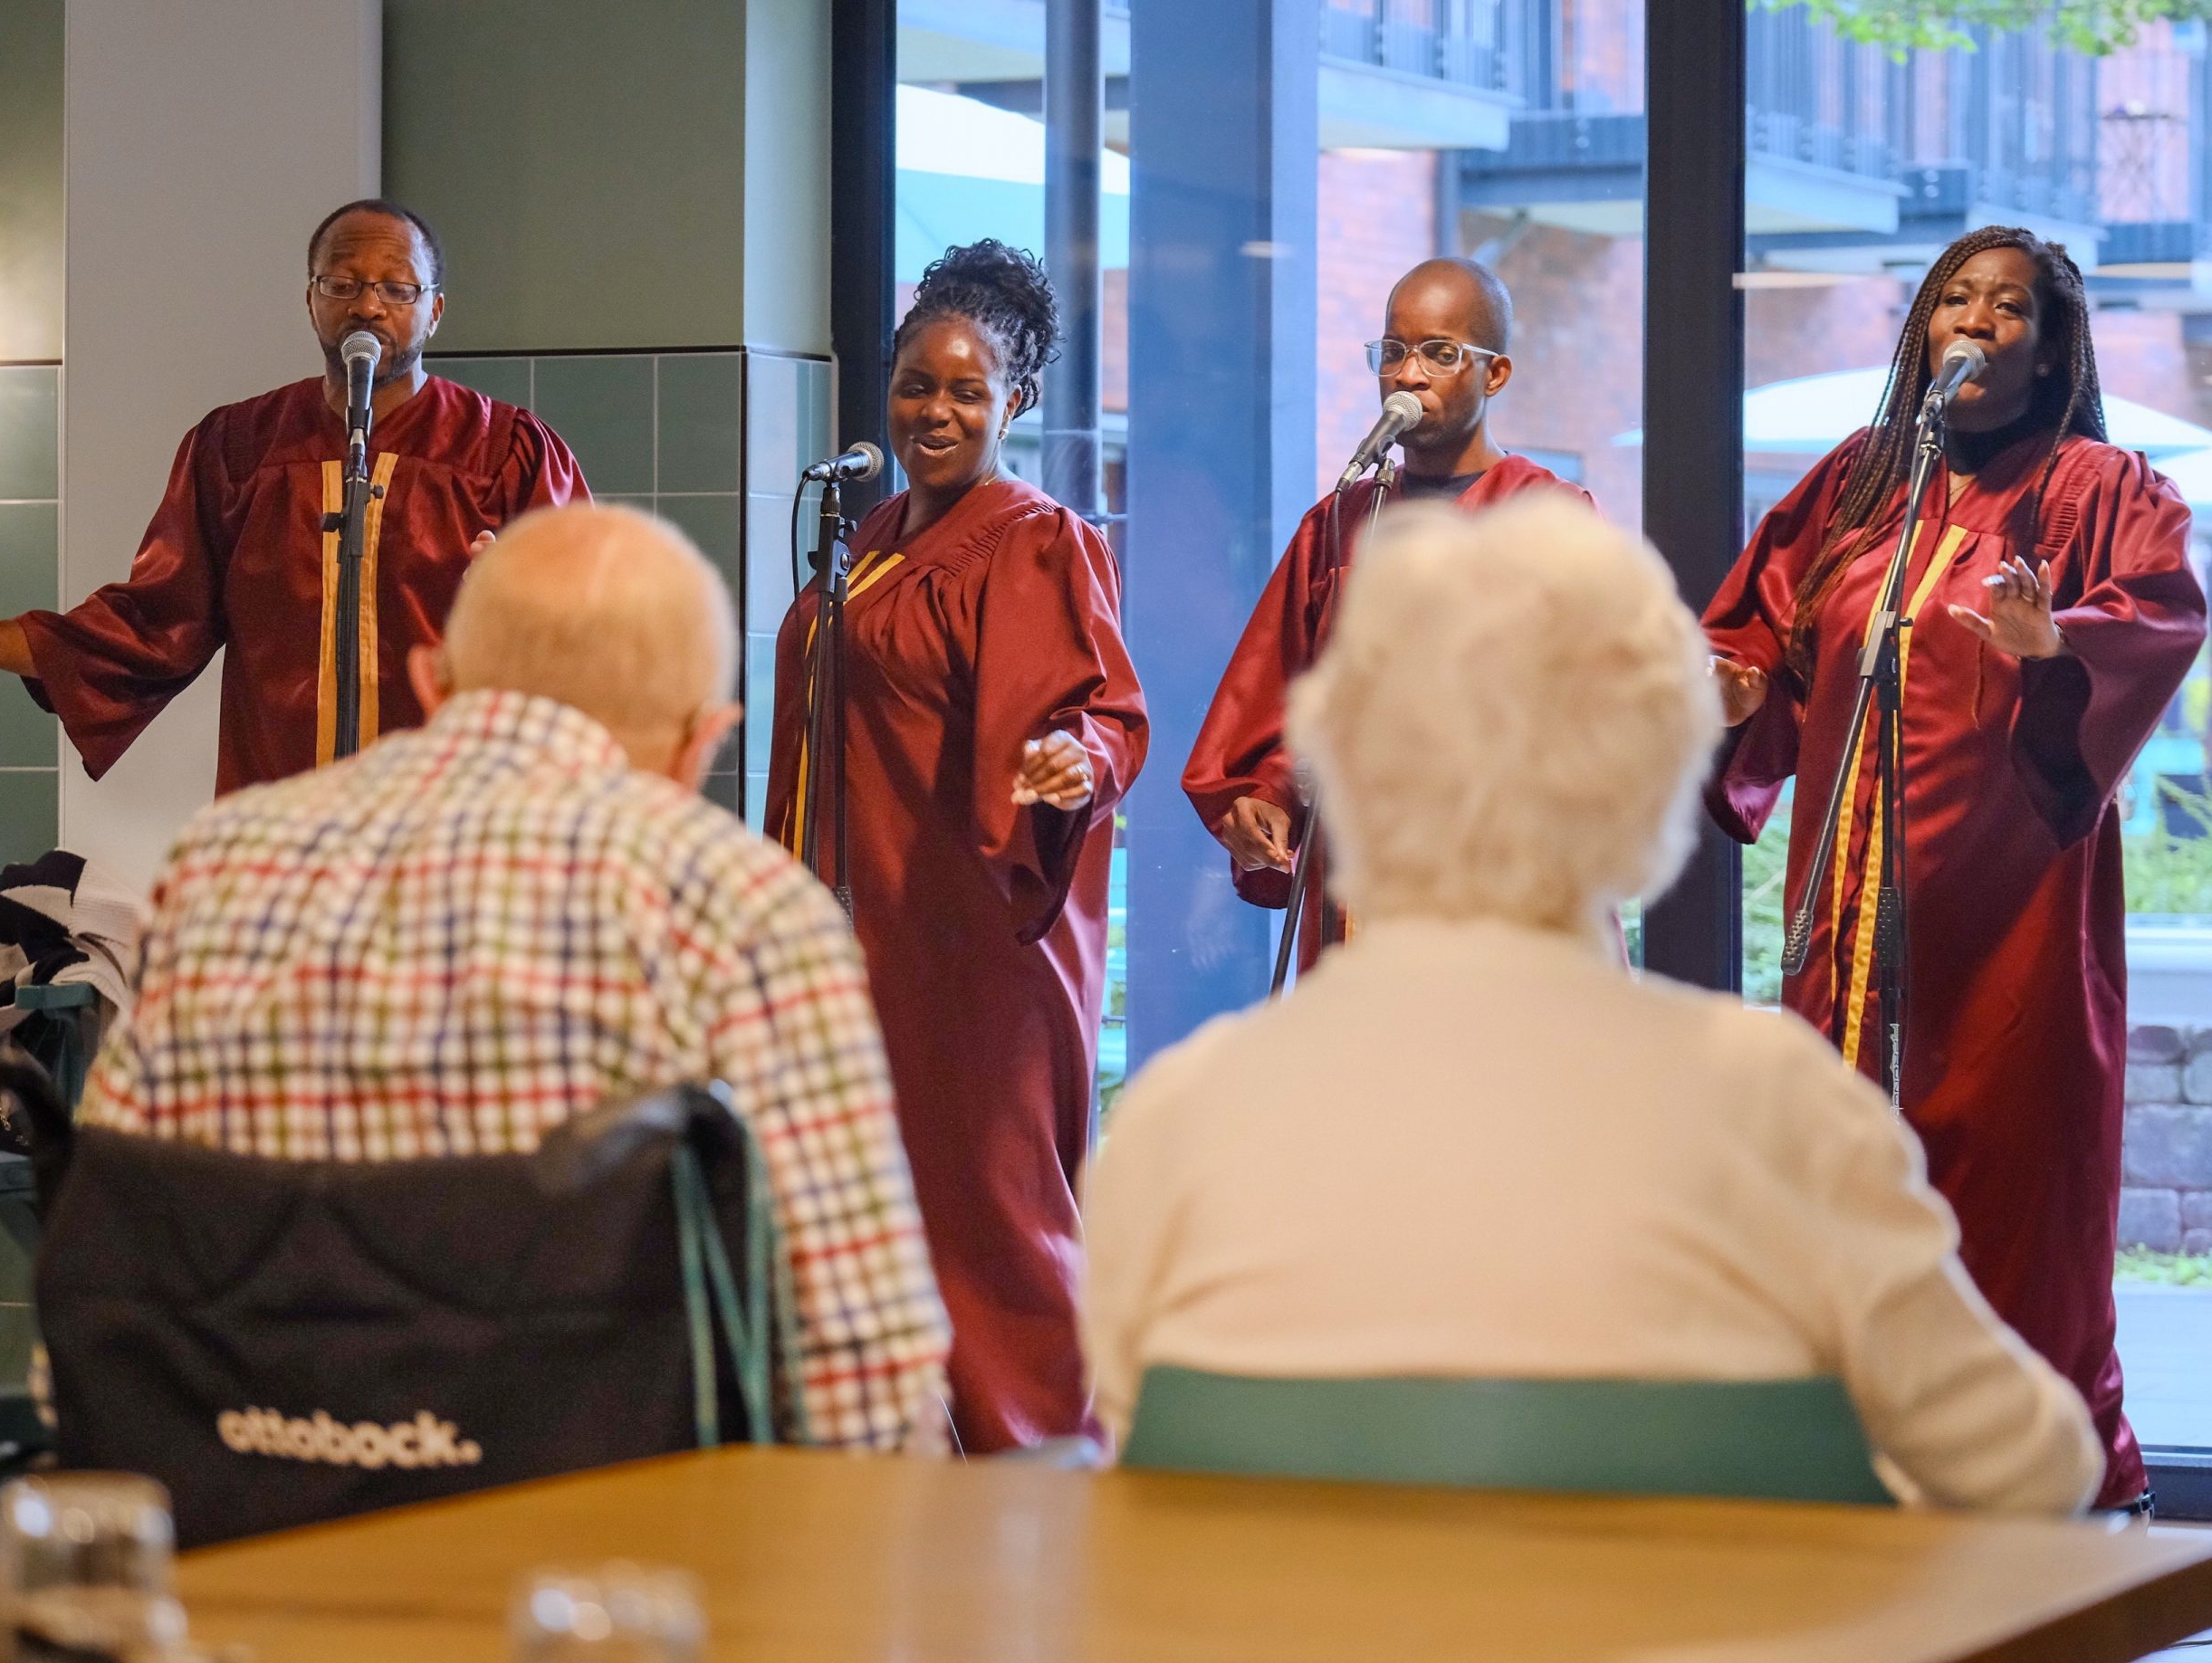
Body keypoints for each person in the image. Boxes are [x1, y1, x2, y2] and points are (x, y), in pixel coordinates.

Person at [1082, 495, 2105, 1515]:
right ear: (1652, 769)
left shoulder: (1178, 1119)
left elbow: (1143, 1467)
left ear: (1341, 760)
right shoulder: (1770, 1106)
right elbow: (2033, 1467)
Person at [80, 503, 949, 1453]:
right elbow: (865, 1385)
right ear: (702, 741)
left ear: (430, 680)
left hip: (246, 1548)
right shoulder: (739, 905)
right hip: (614, 1571)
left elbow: (105, 1277)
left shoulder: (216, 866)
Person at [1704, 226, 2203, 1512]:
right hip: (1852, 913)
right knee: (1838, 1176)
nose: (1975, 324)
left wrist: (2056, 647)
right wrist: (1735, 684)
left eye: (2010, 311)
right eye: (1955, 302)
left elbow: (2154, 618)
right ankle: (1850, 1448)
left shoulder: (2098, 487)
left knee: (2013, 1185)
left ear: (2050, 354)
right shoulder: (1861, 485)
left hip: (2014, 922)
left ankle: (2044, 1470)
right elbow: (1756, 634)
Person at [763, 242, 1147, 1453]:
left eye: (968, 391)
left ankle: (1043, 1464)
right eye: (919, 384)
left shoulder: (1036, 541)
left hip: (976, 948)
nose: (937, 411)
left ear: (1016, 403)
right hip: (860, 937)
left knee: (992, 1220)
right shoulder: (860, 537)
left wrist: (1075, 761)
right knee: (880, 1212)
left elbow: (1103, 710)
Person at [0, 199, 588, 796]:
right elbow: (156, 623)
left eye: (397, 289)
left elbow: (593, 633)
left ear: (434, 310)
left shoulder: (506, 452)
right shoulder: (239, 448)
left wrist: (526, 613)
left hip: (455, 831)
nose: (368, 304)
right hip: (279, 833)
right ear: (310, 300)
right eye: (342, 282)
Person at [1182, 258, 1591, 970]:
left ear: (1494, 375)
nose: (1408, 375)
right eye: (1394, 352)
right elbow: (1276, 701)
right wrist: (1263, 798)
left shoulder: (1549, 518)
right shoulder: (1341, 522)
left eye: (1440, 353)